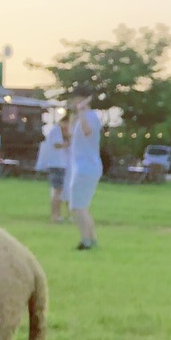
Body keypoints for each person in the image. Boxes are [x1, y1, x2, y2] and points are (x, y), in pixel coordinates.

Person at [65, 87, 103, 250]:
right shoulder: (79, 117)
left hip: (86, 167)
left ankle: (86, 240)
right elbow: (71, 135)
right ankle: (91, 238)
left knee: (78, 205)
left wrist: (81, 112)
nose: (74, 102)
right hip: (80, 166)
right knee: (80, 205)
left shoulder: (91, 116)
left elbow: (88, 132)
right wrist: (75, 117)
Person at [36, 112, 68, 222]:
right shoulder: (56, 130)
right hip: (56, 164)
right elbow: (57, 144)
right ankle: (55, 215)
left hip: (59, 164)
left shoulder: (57, 131)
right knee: (57, 191)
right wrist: (68, 143)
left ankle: (57, 214)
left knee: (59, 191)